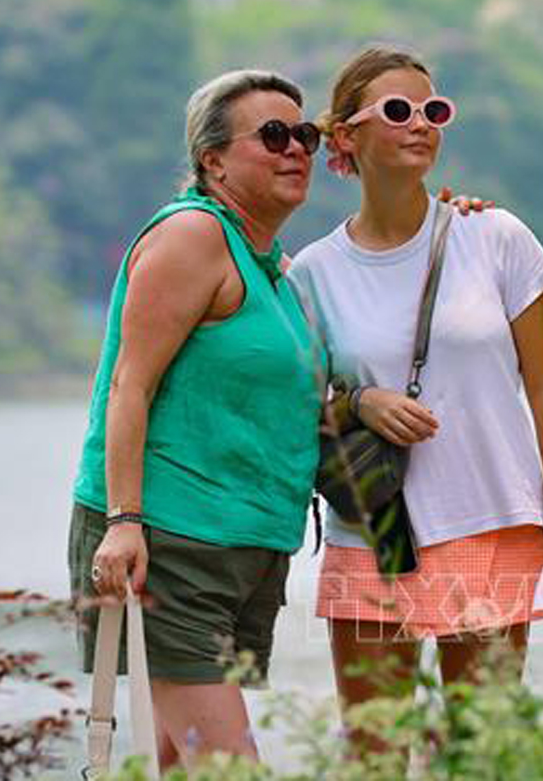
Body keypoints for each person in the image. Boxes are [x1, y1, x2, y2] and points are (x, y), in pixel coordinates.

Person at [287, 46, 543, 749]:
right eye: (398, 111)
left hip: (490, 521)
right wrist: (360, 406)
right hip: (377, 535)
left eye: (434, 111)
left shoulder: (494, 235)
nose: (421, 125)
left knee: (483, 749)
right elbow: (293, 410)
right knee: (374, 751)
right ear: (345, 137)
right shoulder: (313, 273)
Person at [69, 69, 326, 769]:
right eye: (272, 135)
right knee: (229, 765)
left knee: (186, 763)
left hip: (245, 547)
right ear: (212, 159)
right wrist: (124, 522)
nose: (295, 148)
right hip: (170, 542)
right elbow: (129, 384)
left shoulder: (273, 266)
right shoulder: (193, 236)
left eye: (305, 134)